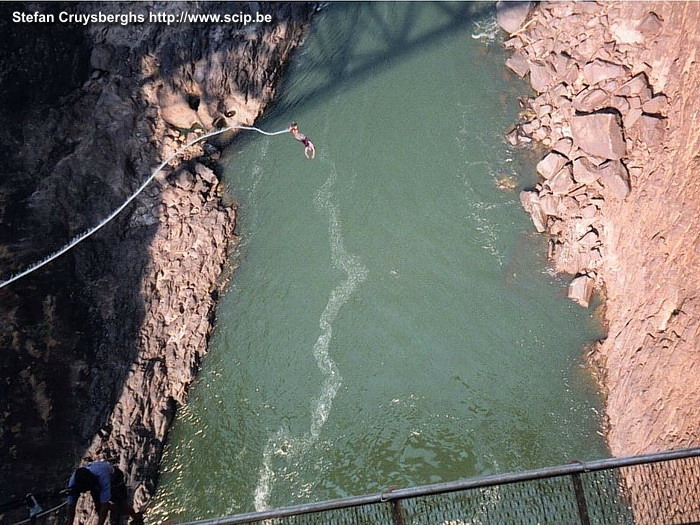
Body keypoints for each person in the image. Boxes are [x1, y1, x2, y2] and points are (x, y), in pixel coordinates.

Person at [66, 460, 143, 525]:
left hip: (115, 479)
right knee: (99, 508)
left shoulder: (102, 476)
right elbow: (71, 507)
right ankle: (115, 511)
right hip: (95, 484)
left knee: (121, 504)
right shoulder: (73, 482)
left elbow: (104, 505)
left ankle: (136, 517)